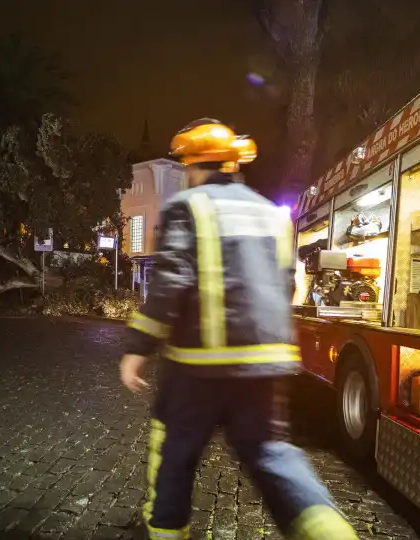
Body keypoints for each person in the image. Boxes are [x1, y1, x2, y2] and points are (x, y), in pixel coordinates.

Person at [120, 119, 357, 540]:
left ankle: (166, 533)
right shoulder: (272, 214)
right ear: (232, 165)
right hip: (267, 363)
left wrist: (139, 346)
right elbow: (286, 284)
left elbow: (171, 282)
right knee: (272, 454)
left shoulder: (188, 207)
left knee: (176, 454)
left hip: (199, 365)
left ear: (194, 166)